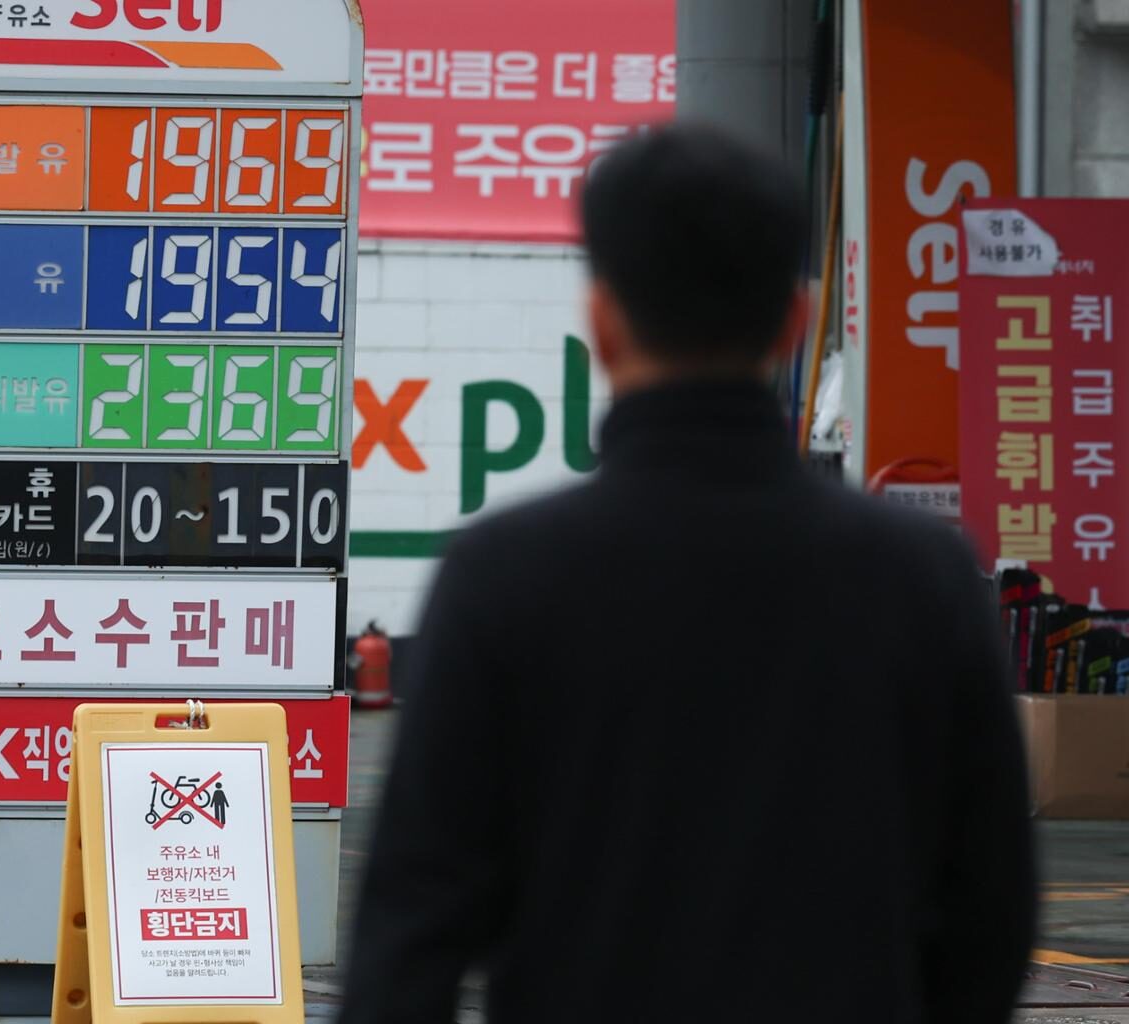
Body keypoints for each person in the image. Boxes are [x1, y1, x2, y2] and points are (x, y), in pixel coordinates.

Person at [338, 123, 1036, 1024]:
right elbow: (990, 914)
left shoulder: (502, 575)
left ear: (601, 322)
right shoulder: (924, 576)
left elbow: (409, 936)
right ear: (794, 323)